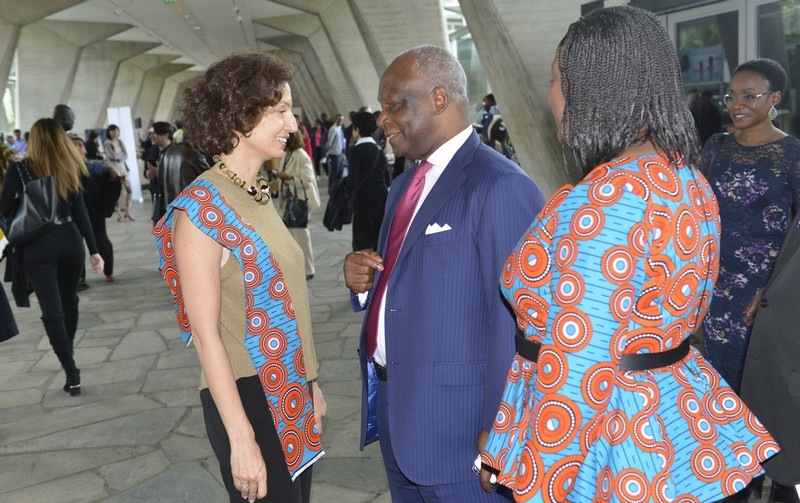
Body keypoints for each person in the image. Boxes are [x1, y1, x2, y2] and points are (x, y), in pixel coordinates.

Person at [478, 7, 777, 502]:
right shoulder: (687, 179)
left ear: (590, 89)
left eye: (556, 81)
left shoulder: (605, 201)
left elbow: (580, 362)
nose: (549, 95)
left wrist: (531, 466)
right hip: (678, 422)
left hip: (610, 445)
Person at [343, 45, 544, 501]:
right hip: (400, 412)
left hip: (460, 432)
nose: (383, 120)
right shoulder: (402, 187)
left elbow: (518, 322)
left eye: (395, 105)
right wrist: (365, 284)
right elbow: (407, 283)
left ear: (438, 99)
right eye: (381, 108)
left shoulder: (500, 185)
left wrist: (501, 427)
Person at [152, 52, 325, 503]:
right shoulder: (201, 210)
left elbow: (287, 299)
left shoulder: (254, 192)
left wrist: (311, 382)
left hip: (289, 387)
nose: (293, 124)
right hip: (248, 396)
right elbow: (206, 337)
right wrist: (241, 439)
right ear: (240, 117)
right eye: (281, 111)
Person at [701, 58, 800, 395]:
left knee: (757, 386)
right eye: (730, 97)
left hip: (762, 292)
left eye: (748, 96)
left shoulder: (792, 155)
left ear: (774, 98)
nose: (736, 105)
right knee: (716, 382)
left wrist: (775, 292)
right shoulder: (716, 146)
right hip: (713, 284)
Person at [0, 118, 103, 396]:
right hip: (70, 241)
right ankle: (68, 355)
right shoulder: (69, 166)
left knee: (52, 312)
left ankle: (71, 371)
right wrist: (94, 251)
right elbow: (81, 212)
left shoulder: (18, 169)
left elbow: (3, 209)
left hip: (37, 246)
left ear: (33, 140)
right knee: (69, 302)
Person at [274, 130, 320, 279]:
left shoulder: (301, 155)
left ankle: (308, 270)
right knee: (293, 237)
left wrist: (288, 177)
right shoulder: (287, 155)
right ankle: (298, 268)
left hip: (300, 201)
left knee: (301, 236)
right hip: (290, 201)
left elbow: (307, 181)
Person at [72, 136, 118, 282]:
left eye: (80, 145)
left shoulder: (97, 165)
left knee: (101, 241)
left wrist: (111, 174)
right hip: (74, 214)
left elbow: (113, 179)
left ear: (85, 148)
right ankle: (80, 277)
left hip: (94, 213)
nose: (78, 148)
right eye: (74, 145)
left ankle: (108, 271)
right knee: (76, 246)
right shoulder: (67, 168)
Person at [346, 111, 390, 251]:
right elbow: (387, 178)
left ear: (357, 129)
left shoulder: (355, 151)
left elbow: (352, 180)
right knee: (379, 238)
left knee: (363, 240)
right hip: (382, 196)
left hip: (364, 198)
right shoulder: (378, 150)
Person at [103, 124, 134, 221]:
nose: (114, 132)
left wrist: (119, 156)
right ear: (109, 132)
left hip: (122, 167)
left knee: (129, 189)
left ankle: (127, 210)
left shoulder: (120, 141)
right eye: (112, 130)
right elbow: (111, 156)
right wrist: (120, 156)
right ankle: (118, 213)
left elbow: (126, 155)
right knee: (117, 192)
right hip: (114, 168)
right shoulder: (107, 143)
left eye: (116, 130)